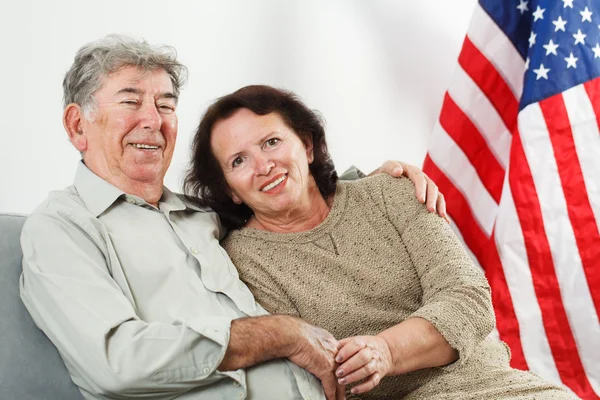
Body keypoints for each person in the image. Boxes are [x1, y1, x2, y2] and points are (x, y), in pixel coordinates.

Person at [19, 35, 447, 400]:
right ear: (78, 126)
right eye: (130, 101)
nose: (153, 120)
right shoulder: (62, 228)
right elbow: (116, 360)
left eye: (165, 105)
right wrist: (281, 334)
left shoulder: (201, 216)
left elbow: (283, 201)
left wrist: (371, 182)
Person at [185, 84, 579, 400]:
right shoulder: (245, 260)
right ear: (230, 190)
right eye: (238, 161)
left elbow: (469, 297)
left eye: (271, 142)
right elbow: (316, 370)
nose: (263, 165)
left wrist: (386, 351)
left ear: (305, 145)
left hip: (496, 385)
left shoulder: (392, 192)